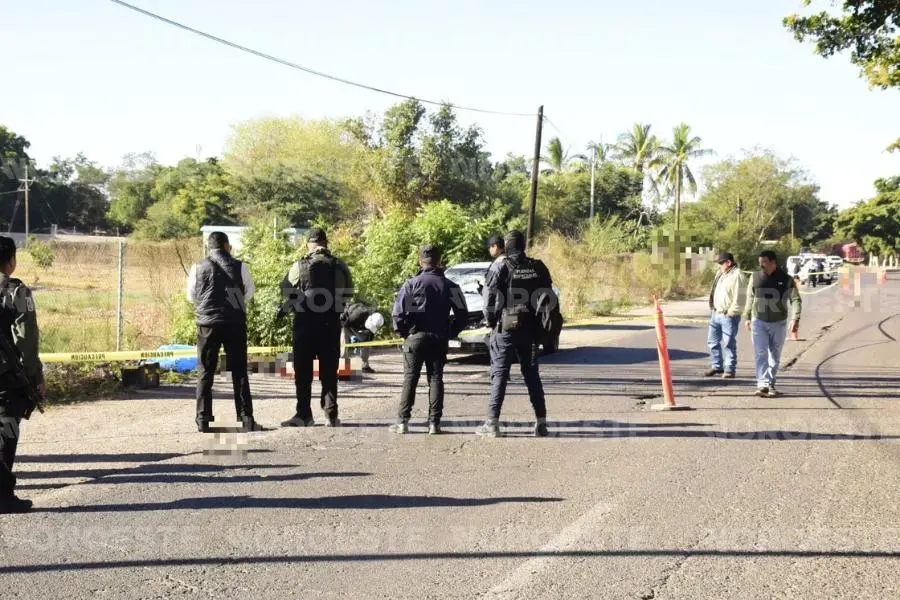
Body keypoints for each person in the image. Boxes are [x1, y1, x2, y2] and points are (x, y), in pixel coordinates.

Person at [477, 231, 554, 438]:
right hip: (531, 330)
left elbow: (489, 299)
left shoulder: (500, 266)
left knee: (500, 375)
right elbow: (548, 296)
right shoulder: (537, 266)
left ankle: (492, 424)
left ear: (507, 245)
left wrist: (490, 321)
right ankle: (541, 423)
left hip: (505, 329)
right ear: (523, 245)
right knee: (532, 376)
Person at [186, 232, 263, 433]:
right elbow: (249, 293)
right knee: (239, 372)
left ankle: (203, 419)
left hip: (207, 324)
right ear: (227, 246)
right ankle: (246, 419)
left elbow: (191, 296)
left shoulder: (197, 267)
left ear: (209, 247)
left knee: (205, 371)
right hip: (234, 323)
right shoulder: (240, 266)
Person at [389, 245, 467, 435]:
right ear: (440, 261)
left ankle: (403, 422)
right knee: (435, 378)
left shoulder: (411, 284)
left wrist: (405, 334)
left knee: (410, 378)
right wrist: (450, 331)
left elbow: (399, 314)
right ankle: (434, 424)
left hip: (414, 337)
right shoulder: (450, 286)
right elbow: (462, 316)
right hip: (438, 337)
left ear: (420, 261)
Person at [281, 228, 353, 428]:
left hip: (304, 323)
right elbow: (348, 293)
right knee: (329, 371)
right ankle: (331, 415)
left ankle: (304, 415)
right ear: (326, 243)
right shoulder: (339, 265)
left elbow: (285, 289)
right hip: (330, 324)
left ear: (308, 244)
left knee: (303, 372)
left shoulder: (299, 265)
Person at [0, 236, 44, 513]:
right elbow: (26, 341)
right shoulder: (15, 291)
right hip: (6, 379)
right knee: (6, 432)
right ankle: (2, 497)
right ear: (11, 261)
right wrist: (34, 377)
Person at [743, 250, 801, 398]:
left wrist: (795, 318)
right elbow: (750, 297)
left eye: (764, 262)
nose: (761, 265)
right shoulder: (755, 277)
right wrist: (747, 316)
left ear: (773, 262)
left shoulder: (786, 279)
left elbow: (795, 299)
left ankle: (770, 383)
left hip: (778, 323)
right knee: (760, 353)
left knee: (774, 356)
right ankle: (762, 384)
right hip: (758, 321)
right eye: (760, 262)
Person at [705, 252, 746, 379]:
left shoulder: (737, 275)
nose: (719, 266)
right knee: (712, 341)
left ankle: (730, 369)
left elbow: (740, 296)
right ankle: (717, 365)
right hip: (716, 313)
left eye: (721, 263)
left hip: (728, 315)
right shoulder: (720, 274)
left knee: (728, 343)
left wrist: (732, 312)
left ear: (728, 262)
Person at [341, 301, 383, 374]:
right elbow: (346, 326)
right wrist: (352, 336)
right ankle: (344, 369)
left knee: (367, 341)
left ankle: (364, 366)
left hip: (359, 323)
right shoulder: (357, 314)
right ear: (369, 319)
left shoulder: (378, 319)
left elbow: (371, 335)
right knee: (345, 342)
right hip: (346, 322)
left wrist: (362, 343)